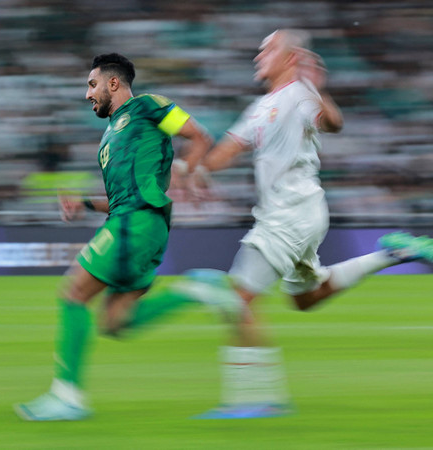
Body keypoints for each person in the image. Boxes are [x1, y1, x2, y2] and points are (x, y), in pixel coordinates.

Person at [173, 29, 433, 418]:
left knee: (238, 296)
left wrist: (315, 88)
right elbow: (225, 152)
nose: (259, 55)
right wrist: (191, 171)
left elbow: (333, 122)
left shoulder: (299, 95)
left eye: (269, 49)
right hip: (294, 214)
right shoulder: (259, 108)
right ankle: (394, 253)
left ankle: (256, 399)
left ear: (290, 59)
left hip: (290, 213)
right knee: (306, 297)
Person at [13, 53, 221, 421]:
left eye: (92, 85)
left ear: (113, 83)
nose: (87, 94)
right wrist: (84, 204)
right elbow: (119, 197)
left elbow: (197, 134)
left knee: (73, 293)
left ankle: (67, 396)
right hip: (135, 221)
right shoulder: (112, 135)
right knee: (116, 323)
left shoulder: (147, 106)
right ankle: (196, 289)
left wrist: (190, 171)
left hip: (137, 222)